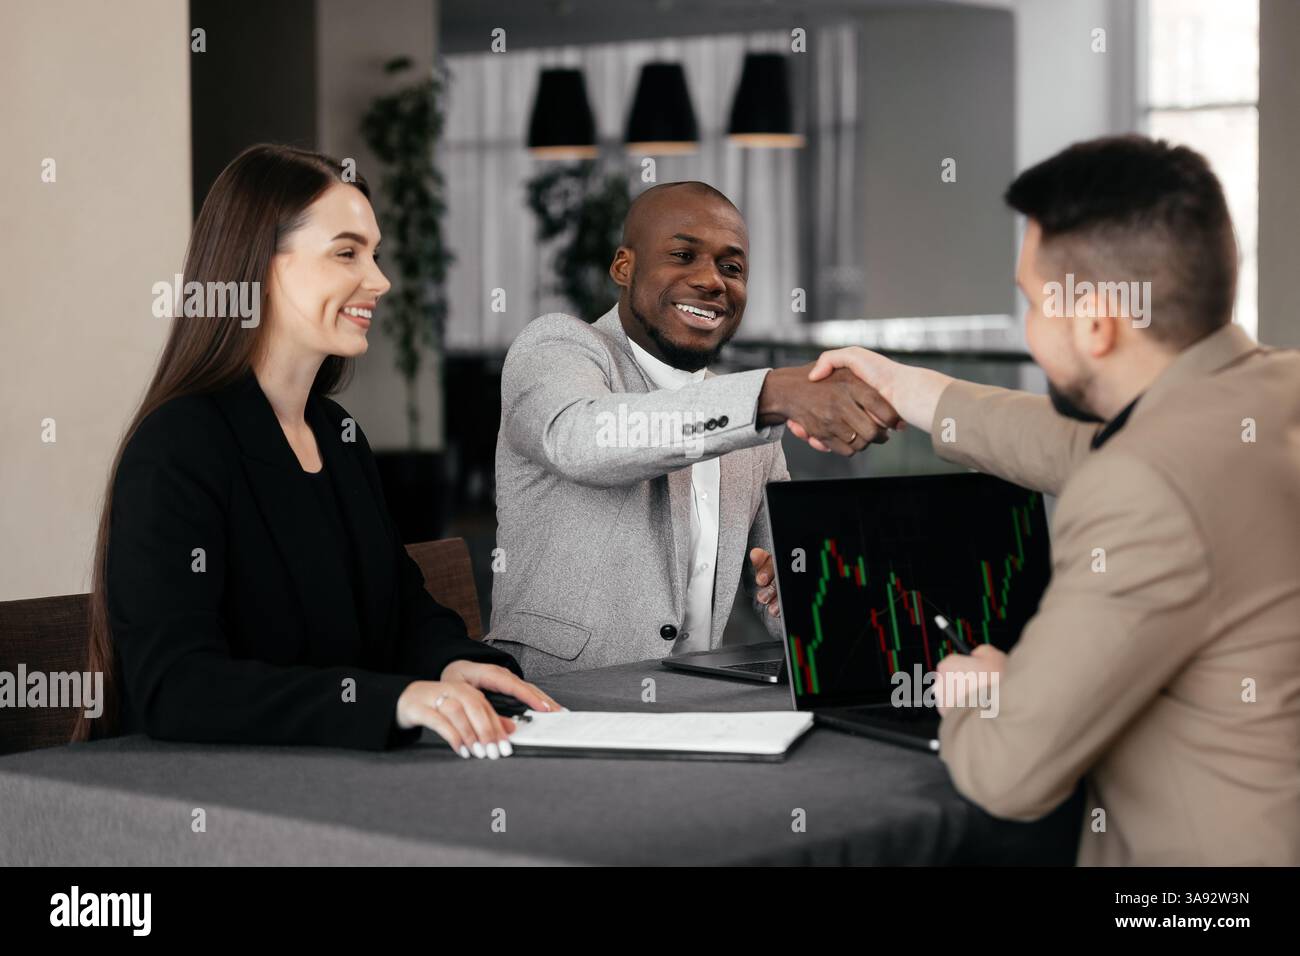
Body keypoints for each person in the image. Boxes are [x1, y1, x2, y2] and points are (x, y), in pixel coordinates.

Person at [801, 135, 1300, 865]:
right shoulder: (1269, 395)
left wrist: (987, 686)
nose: (1029, 327)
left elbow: (1010, 773)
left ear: (1096, 322)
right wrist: (911, 391)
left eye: (1034, 302)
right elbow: (1091, 446)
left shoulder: (1143, 486)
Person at [75, 144, 559, 758]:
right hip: (208, 803)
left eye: (374, 254)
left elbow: (401, 612)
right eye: (346, 253)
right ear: (260, 267)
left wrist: (453, 663)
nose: (379, 280)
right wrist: (395, 702)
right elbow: (177, 687)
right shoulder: (178, 446)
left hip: (336, 777)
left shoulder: (337, 434)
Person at [488, 181, 898, 675]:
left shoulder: (748, 419)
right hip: (557, 701)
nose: (712, 281)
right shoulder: (556, 348)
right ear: (624, 266)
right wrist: (769, 394)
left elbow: (784, 598)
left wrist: (795, 588)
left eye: (732, 268)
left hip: (698, 700)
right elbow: (579, 440)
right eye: (683, 255)